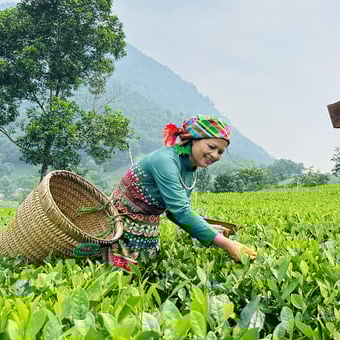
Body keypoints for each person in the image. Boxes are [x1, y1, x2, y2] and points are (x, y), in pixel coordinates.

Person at [102, 114, 257, 270]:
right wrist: (227, 244)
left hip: (147, 231)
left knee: (144, 275)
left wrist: (211, 230)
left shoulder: (191, 168)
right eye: (211, 147)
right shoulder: (165, 161)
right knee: (115, 277)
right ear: (193, 139)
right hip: (120, 226)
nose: (215, 155)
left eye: (220, 152)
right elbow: (181, 212)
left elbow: (175, 212)